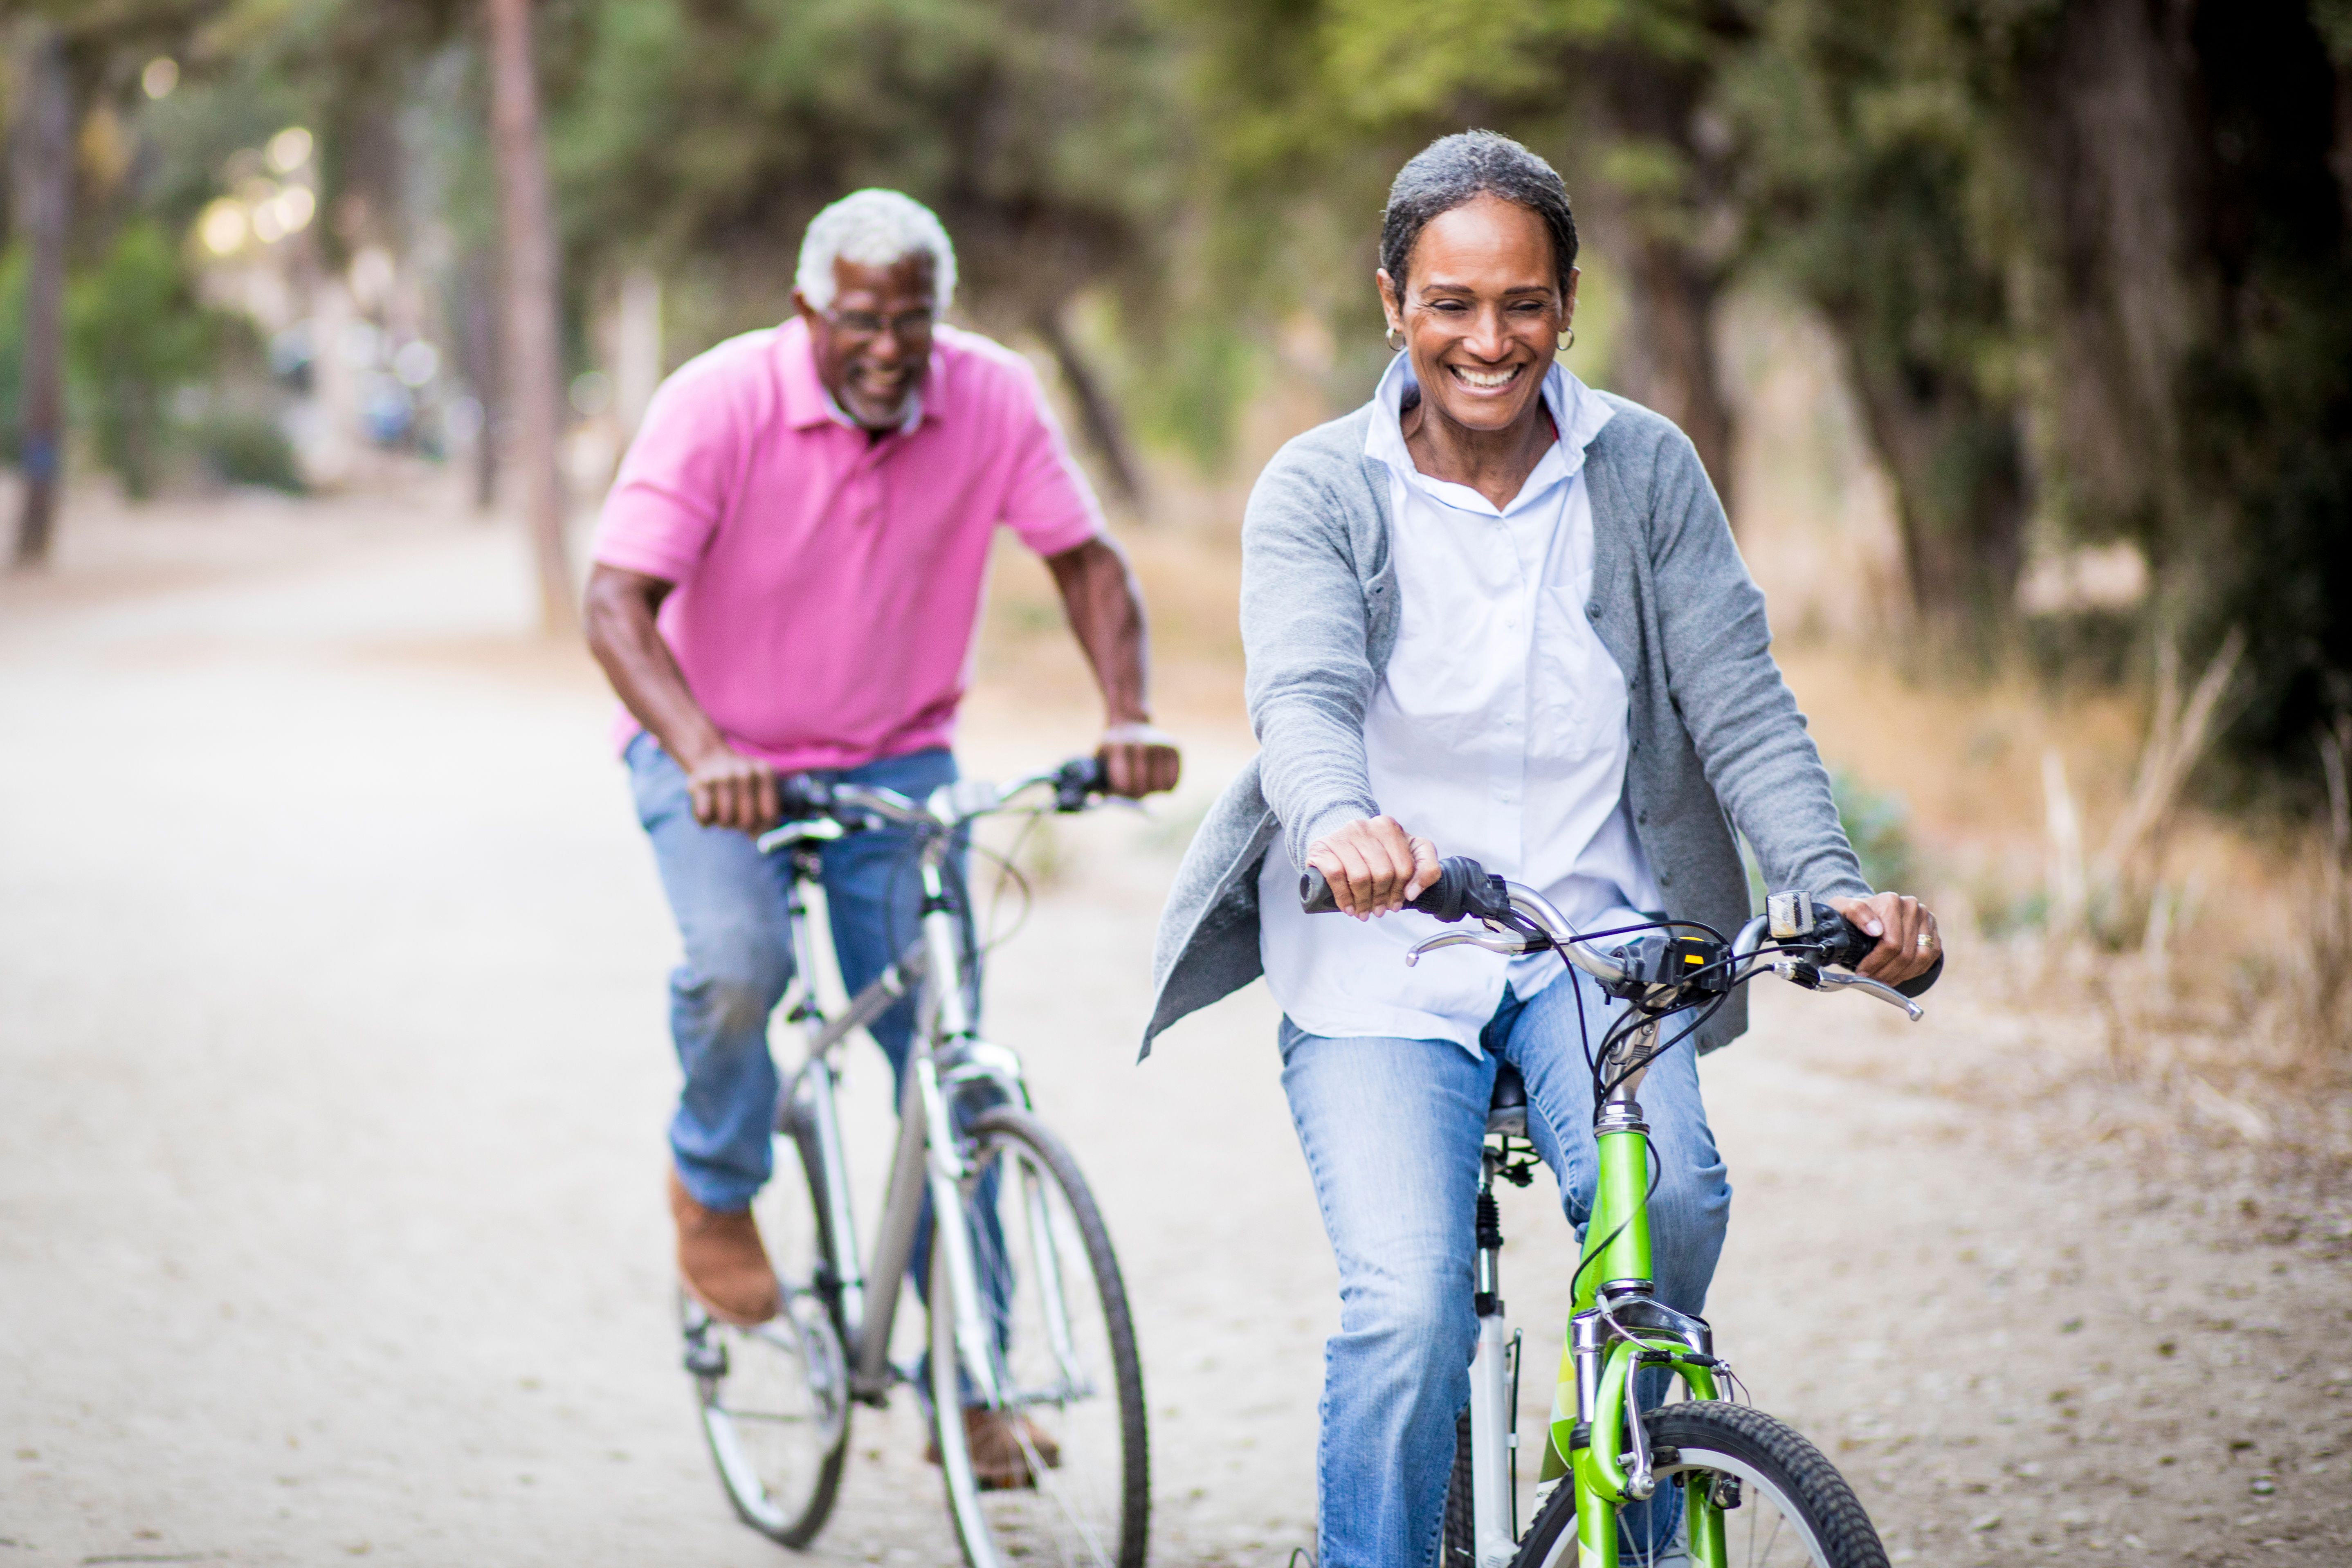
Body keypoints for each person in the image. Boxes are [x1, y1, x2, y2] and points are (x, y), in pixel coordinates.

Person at [1143, 133, 1940, 1568]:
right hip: (1383, 946)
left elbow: (1742, 703)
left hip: (1597, 942)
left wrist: (1829, 888)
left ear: (1569, 302)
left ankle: (1635, 1493)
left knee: (1675, 1211)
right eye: (1451, 303)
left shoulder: (1644, 468)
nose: (1488, 339)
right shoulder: (1319, 488)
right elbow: (1305, 696)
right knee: (1406, 1306)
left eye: (1522, 302)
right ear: (1393, 301)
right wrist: (1340, 827)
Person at [585, 189, 1180, 1470]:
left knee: (947, 1062)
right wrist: (706, 752)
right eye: (860, 318)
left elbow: (1083, 560)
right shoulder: (718, 400)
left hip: (895, 763)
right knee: (742, 963)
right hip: (715, 757)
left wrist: (1126, 713)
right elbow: (616, 600)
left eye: (914, 318)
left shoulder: (995, 395)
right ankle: (716, 1181)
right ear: (808, 310)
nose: (888, 345)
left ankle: (972, 1387)